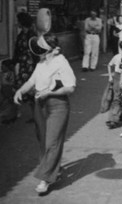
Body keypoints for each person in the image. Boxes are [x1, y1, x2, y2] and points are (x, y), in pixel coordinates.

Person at [13, 33, 76, 195]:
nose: (39, 50)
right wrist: (20, 90)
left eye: (43, 48)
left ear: (54, 50)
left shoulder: (61, 63)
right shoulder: (41, 63)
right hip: (40, 104)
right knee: (43, 140)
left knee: (52, 142)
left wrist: (49, 92)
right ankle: (55, 168)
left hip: (57, 105)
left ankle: (46, 179)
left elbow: (70, 87)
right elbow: (31, 81)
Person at [13, 12, 38, 121]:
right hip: (22, 65)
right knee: (19, 86)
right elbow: (17, 50)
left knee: (30, 89)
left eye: (18, 20)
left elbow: (36, 52)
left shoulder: (32, 35)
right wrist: (14, 62)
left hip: (30, 65)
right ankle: (17, 112)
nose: (16, 22)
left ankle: (35, 115)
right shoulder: (21, 35)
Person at [106, 41, 122, 129]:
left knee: (120, 97)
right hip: (119, 76)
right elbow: (109, 65)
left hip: (118, 76)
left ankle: (120, 116)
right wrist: (110, 76)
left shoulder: (117, 56)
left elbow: (109, 65)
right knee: (118, 97)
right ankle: (113, 119)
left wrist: (110, 76)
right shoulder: (121, 57)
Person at [0, 59, 17, 124]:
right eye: (1, 66)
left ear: (7, 67)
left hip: (9, 89)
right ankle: (7, 117)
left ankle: (12, 117)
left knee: (10, 104)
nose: (1, 67)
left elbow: (12, 83)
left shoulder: (10, 73)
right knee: (5, 104)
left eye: (3, 66)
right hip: (3, 89)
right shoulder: (1, 73)